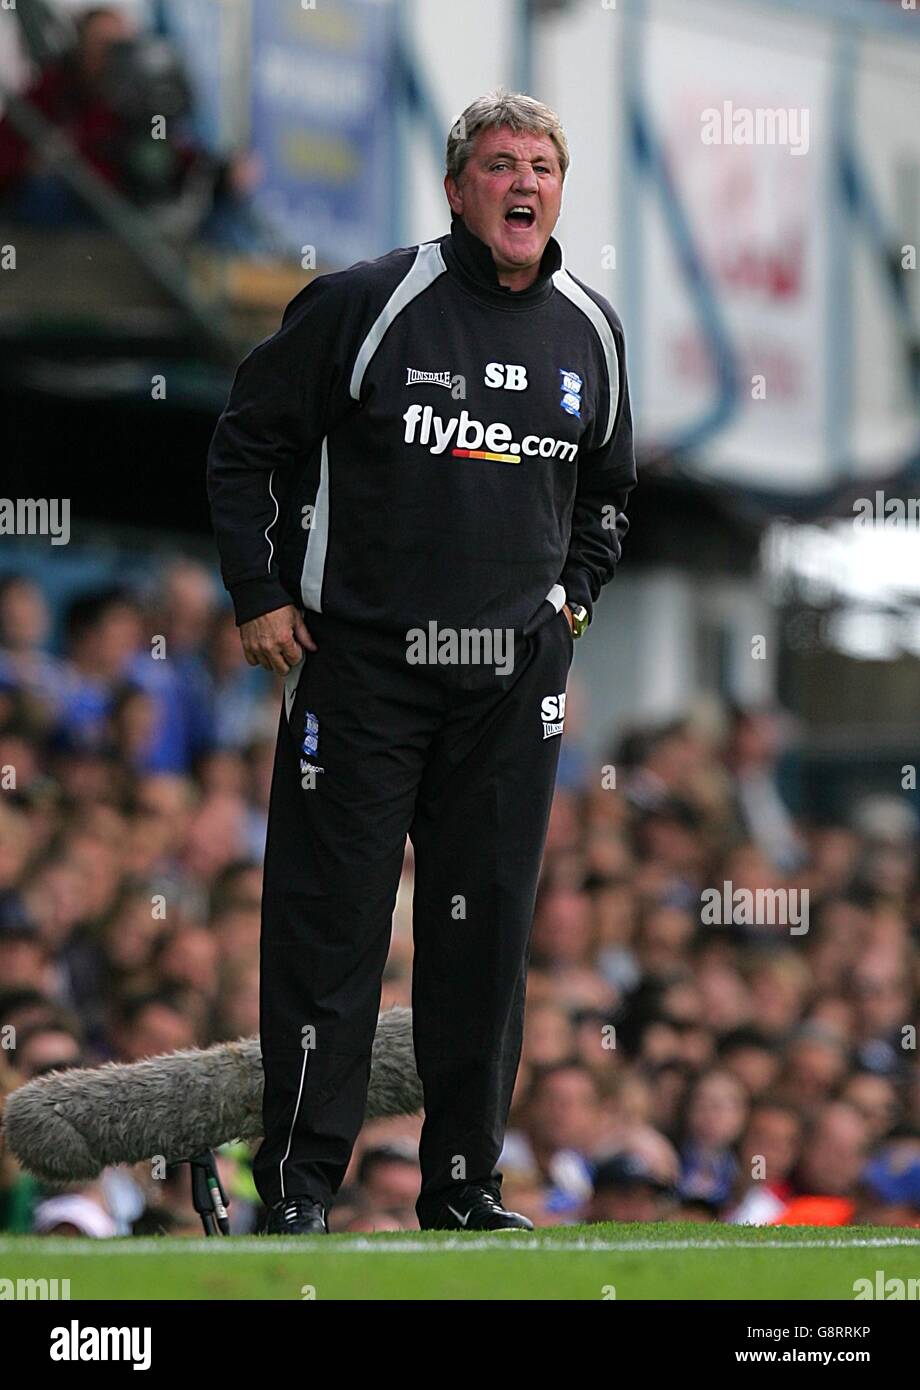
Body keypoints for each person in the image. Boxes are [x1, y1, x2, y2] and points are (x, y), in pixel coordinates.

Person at [207, 89, 636, 1235]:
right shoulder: (368, 302)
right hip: (361, 676)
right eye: (499, 164)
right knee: (327, 934)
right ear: (457, 187)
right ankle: (297, 1195)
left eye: (542, 165)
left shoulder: (590, 329)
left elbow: (606, 498)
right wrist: (258, 593)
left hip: (508, 688)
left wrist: (569, 611)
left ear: (558, 189)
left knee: (482, 940)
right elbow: (247, 439)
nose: (523, 183)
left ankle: (462, 1187)